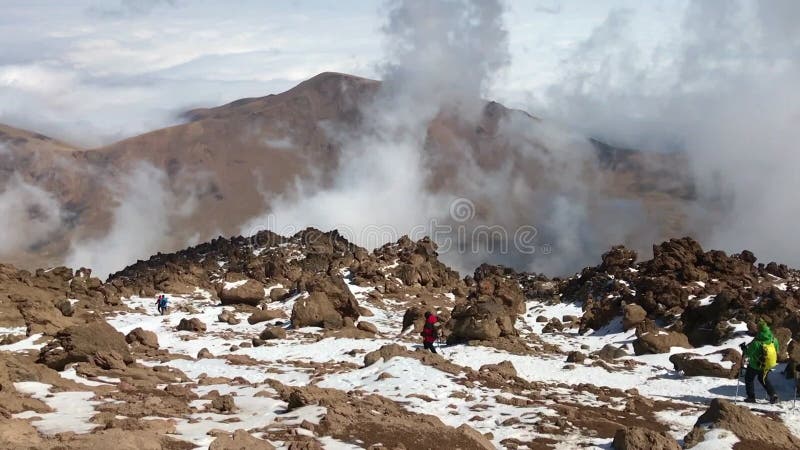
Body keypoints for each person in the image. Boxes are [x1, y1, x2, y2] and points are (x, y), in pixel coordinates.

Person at [740, 320, 779, 404]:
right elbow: (777, 350)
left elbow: (748, 353)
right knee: (763, 379)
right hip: (768, 365)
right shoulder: (773, 339)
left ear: (759, 330)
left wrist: (743, 348)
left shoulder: (756, 343)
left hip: (754, 365)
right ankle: (773, 395)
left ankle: (751, 397)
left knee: (749, 379)